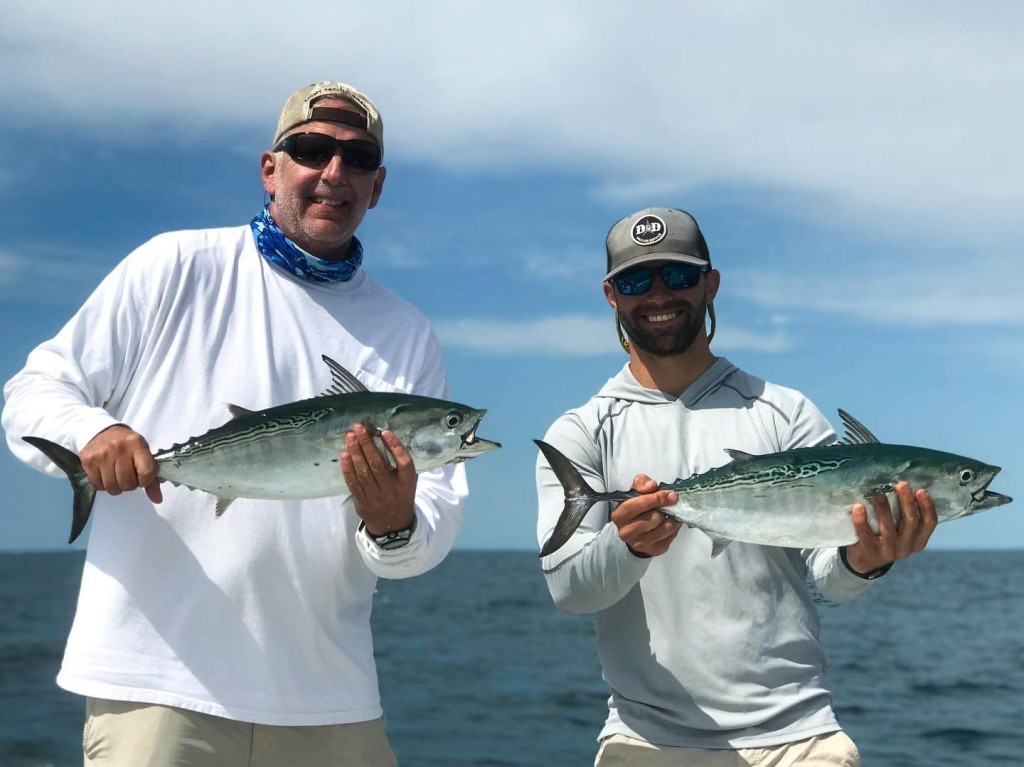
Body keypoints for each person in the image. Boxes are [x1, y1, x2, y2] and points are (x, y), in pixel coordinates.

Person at [3, 81, 465, 766]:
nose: (334, 173)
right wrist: (90, 434)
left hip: (331, 700)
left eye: (358, 158)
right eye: (311, 149)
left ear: (378, 185)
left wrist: (393, 523)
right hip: (157, 687)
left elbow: (426, 531)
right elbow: (34, 390)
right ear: (270, 167)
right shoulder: (175, 267)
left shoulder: (408, 335)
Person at [535, 207, 937, 766]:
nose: (657, 295)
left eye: (676, 275)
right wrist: (626, 547)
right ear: (611, 295)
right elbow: (569, 591)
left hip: (800, 740)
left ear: (710, 283)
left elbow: (832, 581)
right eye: (635, 280)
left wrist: (866, 559)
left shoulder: (785, 413)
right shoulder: (581, 431)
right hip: (644, 739)